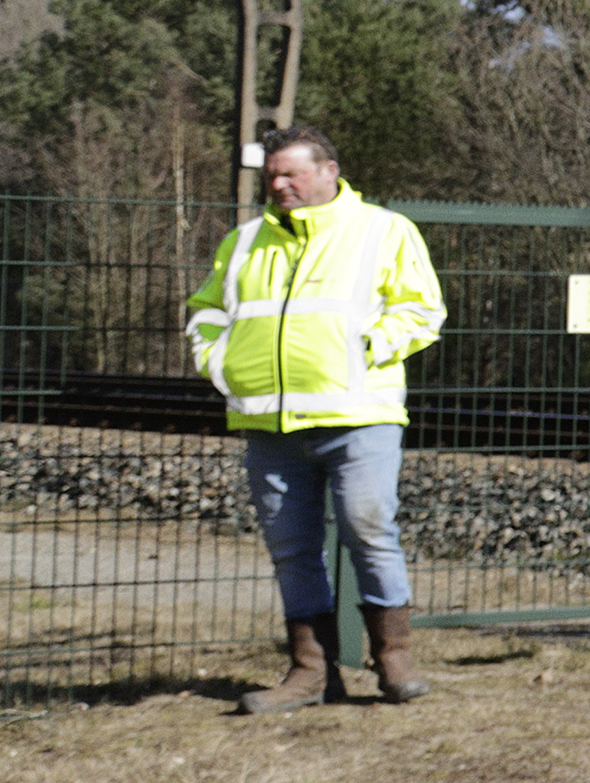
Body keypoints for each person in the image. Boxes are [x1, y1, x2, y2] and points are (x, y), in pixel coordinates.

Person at [184, 123, 449, 710]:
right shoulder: (245, 240)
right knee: (291, 549)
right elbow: (205, 309)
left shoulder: (383, 230)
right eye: (272, 175)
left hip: (358, 415)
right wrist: (217, 360)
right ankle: (310, 673)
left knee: (369, 529)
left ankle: (393, 659)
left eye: (291, 173)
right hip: (268, 424)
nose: (278, 184)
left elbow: (422, 309)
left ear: (328, 171)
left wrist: (365, 351)